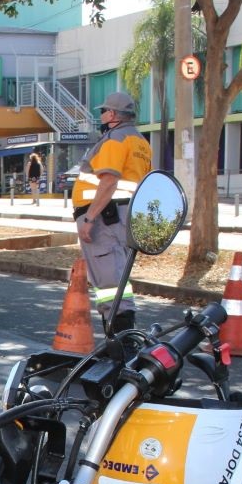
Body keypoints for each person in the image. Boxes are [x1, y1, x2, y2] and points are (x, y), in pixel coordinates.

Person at [73, 91, 152, 334]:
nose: (102, 115)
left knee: (109, 282)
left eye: (104, 111)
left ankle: (120, 345)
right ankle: (119, 342)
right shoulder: (141, 142)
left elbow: (108, 182)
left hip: (105, 219)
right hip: (123, 216)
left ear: (114, 114)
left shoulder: (114, 140)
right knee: (118, 278)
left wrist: (89, 218)